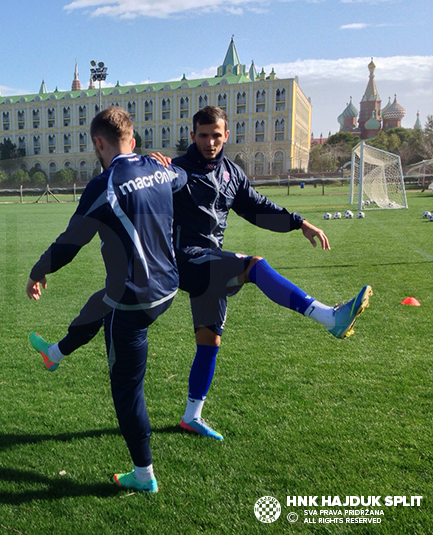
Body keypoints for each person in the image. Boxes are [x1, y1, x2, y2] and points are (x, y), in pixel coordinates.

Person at [30, 106, 371, 442]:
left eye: (216, 136)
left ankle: (191, 415)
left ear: (226, 136)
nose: (210, 142)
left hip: (211, 262)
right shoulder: (174, 169)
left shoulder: (232, 173)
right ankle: (329, 316)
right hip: (184, 261)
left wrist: (299, 223)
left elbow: (257, 207)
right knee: (254, 265)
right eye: (203, 136)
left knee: (207, 340)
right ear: (192, 136)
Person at [26, 107, 187, 494]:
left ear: (98, 143)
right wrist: (163, 163)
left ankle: (143, 474)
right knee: (101, 300)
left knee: (127, 388)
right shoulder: (159, 167)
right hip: (167, 285)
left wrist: (38, 271)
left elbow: (70, 241)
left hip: (135, 300)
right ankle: (56, 353)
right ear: (133, 137)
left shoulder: (105, 185)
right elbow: (181, 178)